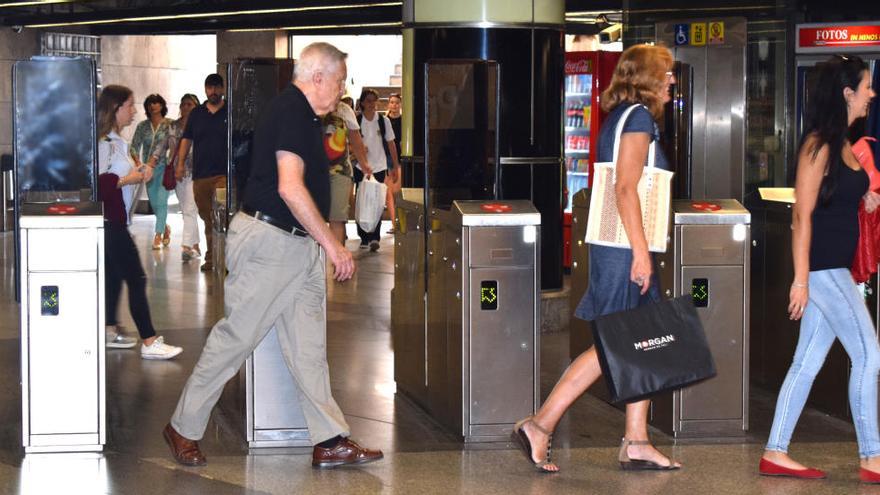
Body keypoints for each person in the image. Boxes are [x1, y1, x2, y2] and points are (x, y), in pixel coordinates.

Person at [164, 42, 382, 469]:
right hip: (270, 242)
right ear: (318, 77)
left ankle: (330, 438)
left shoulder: (304, 116)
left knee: (308, 347)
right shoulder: (290, 112)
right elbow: (289, 186)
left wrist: (317, 243)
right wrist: (333, 243)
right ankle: (182, 426)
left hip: (295, 244)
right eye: (339, 81)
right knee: (236, 338)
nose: (341, 90)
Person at [511, 44, 679, 473]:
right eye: (668, 74)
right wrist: (641, 255)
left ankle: (637, 440)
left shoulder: (617, 118)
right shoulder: (639, 118)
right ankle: (541, 424)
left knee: (641, 342)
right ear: (648, 78)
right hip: (626, 249)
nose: (672, 81)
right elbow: (626, 188)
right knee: (613, 346)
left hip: (619, 246)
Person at [761, 54, 880, 484]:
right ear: (847, 93)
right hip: (824, 271)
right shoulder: (818, 144)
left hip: (834, 270)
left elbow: (838, 197)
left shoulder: (844, 143)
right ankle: (872, 457)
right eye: (866, 85)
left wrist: (863, 198)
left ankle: (775, 451)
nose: (872, 93)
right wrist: (800, 280)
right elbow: (802, 215)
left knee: (806, 361)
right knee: (869, 355)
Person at [96, 85, 183, 360]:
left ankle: (109, 328)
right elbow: (100, 185)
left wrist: (140, 172)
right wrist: (130, 179)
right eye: (129, 105)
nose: (134, 110)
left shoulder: (119, 142)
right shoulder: (104, 144)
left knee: (113, 277)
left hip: (115, 220)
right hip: (110, 222)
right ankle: (149, 340)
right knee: (136, 277)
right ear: (115, 108)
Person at [176, 74, 228, 272]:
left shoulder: (229, 112)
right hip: (201, 175)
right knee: (208, 218)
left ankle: (225, 258)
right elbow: (186, 139)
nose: (213, 91)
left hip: (223, 175)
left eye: (216, 87)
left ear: (223, 89)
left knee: (222, 216)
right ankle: (212, 259)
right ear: (205, 89)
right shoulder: (197, 114)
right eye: (209, 88)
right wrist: (180, 164)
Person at [353, 88, 400, 251]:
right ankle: (363, 236)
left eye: (374, 100)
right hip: (360, 166)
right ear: (362, 103)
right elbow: (348, 142)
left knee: (377, 201)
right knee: (362, 200)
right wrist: (356, 151)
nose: (372, 104)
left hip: (379, 166)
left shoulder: (383, 121)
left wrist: (394, 165)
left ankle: (374, 237)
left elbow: (391, 144)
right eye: (368, 101)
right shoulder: (356, 121)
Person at [323, 98, 371, 245]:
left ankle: (336, 264)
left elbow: (356, 139)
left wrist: (364, 165)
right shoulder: (311, 103)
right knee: (312, 218)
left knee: (337, 218)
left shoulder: (344, 110)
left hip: (340, 172)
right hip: (313, 171)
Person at [130, 94, 174, 250]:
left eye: (156, 103)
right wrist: (138, 163)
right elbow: (134, 146)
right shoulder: (142, 126)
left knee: (161, 202)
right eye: (149, 103)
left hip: (164, 168)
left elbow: (175, 145)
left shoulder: (170, 124)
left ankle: (158, 235)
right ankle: (166, 227)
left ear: (162, 105)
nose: (153, 106)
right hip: (147, 171)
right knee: (154, 203)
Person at [165, 93, 202, 261]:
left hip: (196, 172)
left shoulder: (201, 125)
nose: (186, 107)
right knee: (187, 209)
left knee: (190, 209)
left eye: (190, 104)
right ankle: (195, 246)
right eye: (183, 104)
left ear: (196, 107)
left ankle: (186, 246)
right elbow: (163, 145)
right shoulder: (172, 126)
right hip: (177, 172)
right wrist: (152, 161)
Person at [384, 93, 402, 234]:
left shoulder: (404, 121)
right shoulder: (384, 120)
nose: (394, 105)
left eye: (396, 102)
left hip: (398, 158)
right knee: (388, 193)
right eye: (391, 102)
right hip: (384, 158)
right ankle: (394, 223)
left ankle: (399, 222)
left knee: (396, 192)